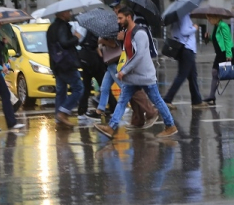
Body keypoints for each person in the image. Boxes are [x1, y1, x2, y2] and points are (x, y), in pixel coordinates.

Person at [93, 7, 178, 139]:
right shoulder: (127, 33)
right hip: (133, 76)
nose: (118, 21)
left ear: (129, 17)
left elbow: (139, 56)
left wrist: (124, 70)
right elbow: (128, 53)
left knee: (158, 101)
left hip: (144, 75)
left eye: (120, 18)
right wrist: (122, 41)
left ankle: (170, 126)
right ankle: (111, 127)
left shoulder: (140, 33)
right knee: (122, 101)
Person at [203, 15, 234, 105]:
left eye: (210, 18)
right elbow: (217, 40)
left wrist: (229, 54)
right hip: (220, 53)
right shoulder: (216, 26)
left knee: (228, 73)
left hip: (225, 53)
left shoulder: (223, 26)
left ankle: (212, 96)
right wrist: (208, 37)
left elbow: (227, 40)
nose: (209, 20)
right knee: (222, 73)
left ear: (216, 18)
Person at [162, 13, 209, 109]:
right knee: (182, 75)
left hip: (182, 48)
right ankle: (167, 99)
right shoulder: (184, 16)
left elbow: (174, 33)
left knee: (192, 76)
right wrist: (194, 28)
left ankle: (196, 100)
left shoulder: (176, 19)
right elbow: (184, 31)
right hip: (187, 49)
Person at [46, 9, 83, 127]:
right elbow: (64, 43)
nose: (71, 14)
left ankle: (59, 119)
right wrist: (76, 38)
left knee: (61, 91)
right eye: (69, 12)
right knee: (79, 88)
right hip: (66, 63)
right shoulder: (62, 26)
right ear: (63, 14)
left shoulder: (51, 27)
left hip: (56, 63)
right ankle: (63, 111)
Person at [77, 30, 106, 121]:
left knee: (86, 87)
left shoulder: (88, 31)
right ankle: (113, 106)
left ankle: (81, 111)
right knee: (105, 86)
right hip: (95, 64)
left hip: (86, 62)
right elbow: (95, 45)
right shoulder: (96, 32)